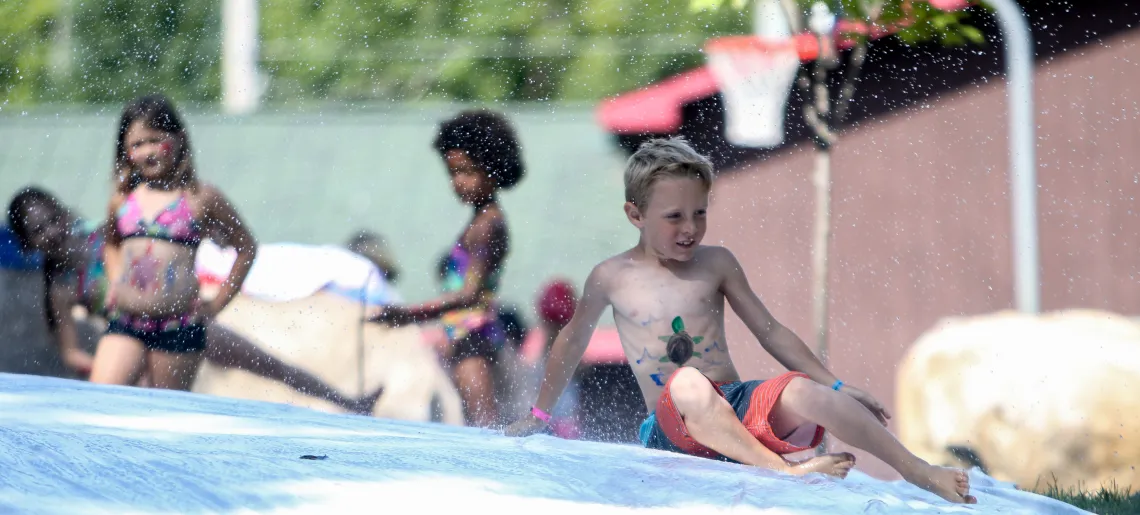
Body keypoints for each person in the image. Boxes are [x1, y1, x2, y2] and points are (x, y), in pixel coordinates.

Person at [505, 138, 975, 505]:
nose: (690, 227)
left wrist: (834, 385)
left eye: (700, 213)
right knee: (688, 382)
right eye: (674, 217)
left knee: (802, 390)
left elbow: (769, 331)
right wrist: (540, 415)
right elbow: (569, 343)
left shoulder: (717, 263)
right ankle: (783, 471)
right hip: (675, 428)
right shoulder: (611, 276)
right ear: (635, 214)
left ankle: (918, 471)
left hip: (734, 409)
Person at [7, 186, 382, 413]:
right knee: (150, 406)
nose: (51, 233)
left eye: (52, 220)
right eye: (38, 231)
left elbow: (163, 231)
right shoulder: (58, 286)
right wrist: (105, 370)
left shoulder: (106, 230)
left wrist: (210, 231)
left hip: (181, 322)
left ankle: (350, 403)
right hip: (133, 346)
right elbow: (70, 352)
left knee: (267, 364)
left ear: (63, 213)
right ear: (27, 244)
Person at [370, 110, 524, 428]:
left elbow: (468, 295)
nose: (458, 182)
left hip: (473, 337)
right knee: (474, 422)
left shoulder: (488, 225)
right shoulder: (481, 220)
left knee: (484, 427)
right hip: (466, 336)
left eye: (467, 172)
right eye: (452, 173)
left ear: (493, 169)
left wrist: (408, 315)